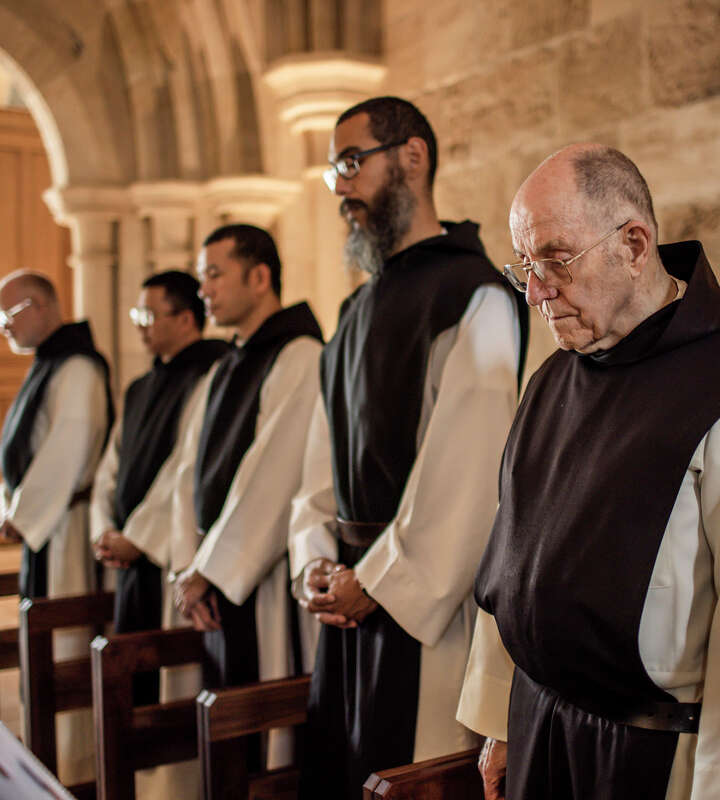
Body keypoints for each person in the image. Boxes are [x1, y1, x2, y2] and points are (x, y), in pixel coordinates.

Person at [460, 144, 720, 800]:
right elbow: (514, 552)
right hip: (540, 728)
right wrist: (500, 721)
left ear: (632, 244)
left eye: (555, 260)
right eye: (525, 268)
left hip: (652, 763)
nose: (536, 291)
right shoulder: (552, 380)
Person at [289, 96, 528, 798]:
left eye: (352, 163)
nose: (340, 187)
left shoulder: (472, 295)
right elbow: (321, 460)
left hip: (424, 610)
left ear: (414, 157)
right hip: (348, 599)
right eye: (335, 169)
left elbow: (468, 466)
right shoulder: (352, 310)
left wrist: (378, 582)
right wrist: (315, 560)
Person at [170, 224, 324, 769]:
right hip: (217, 578)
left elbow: (274, 475)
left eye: (214, 274)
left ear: (260, 277)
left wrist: (210, 569)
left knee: (266, 743)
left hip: (263, 582)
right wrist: (191, 565)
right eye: (200, 277)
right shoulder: (226, 364)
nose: (203, 290)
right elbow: (189, 469)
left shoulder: (300, 355)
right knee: (229, 736)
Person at [0, 269, 112, 784]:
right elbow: (27, 448)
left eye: (9, 315)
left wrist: (23, 513)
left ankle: (75, 765)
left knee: (65, 645)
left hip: (68, 529)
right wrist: (13, 503)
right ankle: (49, 755)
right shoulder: (51, 362)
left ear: (41, 306)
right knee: (46, 638)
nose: (3, 327)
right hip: (49, 526)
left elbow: (70, 446)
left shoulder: (78, 367)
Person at [90, 270, 228, 704]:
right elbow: (110, 466)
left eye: (148, 313)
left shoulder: (211, 375)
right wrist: (105, 529)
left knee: (175, 687)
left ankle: (172, 773)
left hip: (168, 550)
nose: (139, 324)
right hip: (132, 557)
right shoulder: (139, 387)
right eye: (137, 313)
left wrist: (138, 538)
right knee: (133, 679)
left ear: (187, 318)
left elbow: (182, 470)